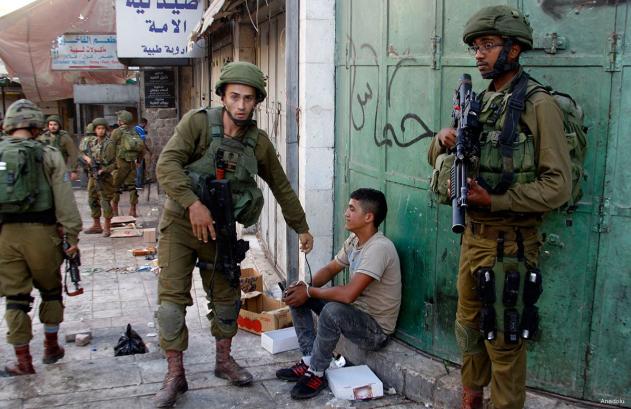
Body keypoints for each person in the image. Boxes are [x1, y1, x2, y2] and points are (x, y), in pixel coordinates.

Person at [427, 6, 572, 409]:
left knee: (505, 344)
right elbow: (439, 161)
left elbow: (558, 186)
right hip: (472, 241)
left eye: (488, 45)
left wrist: (496, 199)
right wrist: (442, 139)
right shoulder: (481, 100)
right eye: (476, 47)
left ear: (515, 49)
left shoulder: (537, 104)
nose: (478, 54)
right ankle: (471, 400)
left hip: (512, 247)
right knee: (469, 332)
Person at [153, 61, 314, 408]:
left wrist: (300, 226)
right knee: (170, 303)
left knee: (227, 300)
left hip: (222, 230)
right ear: (223, 97)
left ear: (257, 102)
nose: (241, 105)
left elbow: (281, 186)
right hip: (181, 225)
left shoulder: (258, 143)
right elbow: (166, 164)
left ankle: (224, 360)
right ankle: (174, 374)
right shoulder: (197, 124)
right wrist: (193, 203)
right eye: (235, 96)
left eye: (249, 98)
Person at [278, 188, 401, 400]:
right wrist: (303, 287)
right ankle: (308, 359)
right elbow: (331, 269)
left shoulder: (379, 248)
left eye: (352, 209)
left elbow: (348, 295)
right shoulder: (354, 241)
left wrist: (308, 291)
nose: (346, 213)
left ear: (368, 217)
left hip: (375, 331)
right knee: (296, 294)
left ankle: (317, 373)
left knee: (332, 310)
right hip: (355, 315)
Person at [0, 99, 82, 376]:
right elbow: (64, 199)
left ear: (7, 125)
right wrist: (71, 235)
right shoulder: (48, 154)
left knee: (15, 298)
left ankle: (23, 361)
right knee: (50, 291)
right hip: (43, 234)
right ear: (37, 127)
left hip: (5, 236)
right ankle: (50, 347)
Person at [110, 110, 144, 217]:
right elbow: (141, 149)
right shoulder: (134, 131)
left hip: (120, 163)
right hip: (132, 163)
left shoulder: (116, 132)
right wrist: (139, 160)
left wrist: (110, 163)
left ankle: (114, 210)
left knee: (115, 187)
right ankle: (133, 210)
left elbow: (111, 147)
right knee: (132, 187)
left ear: (121, 121)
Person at [37, 114, 80, 181]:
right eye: (50, 125)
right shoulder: (43, 137)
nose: (53, 127)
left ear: (59, 125)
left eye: (55, 124)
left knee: (64, 189)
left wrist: (74, 171)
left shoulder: (65, 137)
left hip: (61, 170)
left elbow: (73, 154)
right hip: (46, 170)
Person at [79, 123, 102, 234]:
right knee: (106, 198)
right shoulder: (106, 140)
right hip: (104, 172)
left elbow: (81, 155)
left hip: (96, 173)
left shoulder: (86, 140)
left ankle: (98, 224)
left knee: (93, 197)